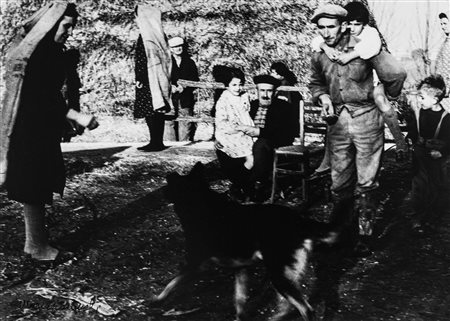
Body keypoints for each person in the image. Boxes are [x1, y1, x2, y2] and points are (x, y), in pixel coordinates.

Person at [4, 3, 98, 261]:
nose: (69, 32)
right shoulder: (37, 55)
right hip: (30, 128)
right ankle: (36, 246)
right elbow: (43, 97)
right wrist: (77, 116)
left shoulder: (48, 52)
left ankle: (34, 242)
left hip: (39, 126)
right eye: (66, 26)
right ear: (50, 24)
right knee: (34, 184)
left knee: (38, 183)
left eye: (72, 27)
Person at [309, 3, 398, 247]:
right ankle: (341, 232)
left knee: (367, 181)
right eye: (321, 28)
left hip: (367, 119)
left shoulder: (364, 46)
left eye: (331, 26)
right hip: (338, 122)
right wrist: (323, 97)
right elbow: (315, 83)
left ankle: (364, 236)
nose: (326, 32)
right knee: (339, 181)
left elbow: (394, 74)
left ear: (342, 25)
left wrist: (382, 95)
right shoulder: (318, 53)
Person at [311, 1, 407, 168]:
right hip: (351, 85)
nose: (354, 28)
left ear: (365, 24)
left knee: (381, 100)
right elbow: (315, 42)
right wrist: (325, 47)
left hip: (375, 78)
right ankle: (328, 159)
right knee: (335, 108)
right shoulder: (340, 33)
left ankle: (400, 143)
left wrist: (350, 55)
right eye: (350, 24)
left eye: (358, 24)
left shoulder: (370, 33)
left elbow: (373, 48)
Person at [406, 75, 450, 234]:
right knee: (418, 188)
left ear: (436, 99)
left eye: (422, 97)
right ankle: (417, 219)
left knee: (437, 188)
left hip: (438, 160)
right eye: (419, 97)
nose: (420, 101)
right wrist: (410, 141)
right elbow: (412, 133)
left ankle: (432, 219)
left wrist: (442, 151)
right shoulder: (419, 114)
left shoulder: (446, 119)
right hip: (420, 158)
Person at [215, 68, 254, 171]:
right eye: (234, 85)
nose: (238, 88)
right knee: (250, 158)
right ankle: (241, 180)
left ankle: (241, 180)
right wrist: (235, 128)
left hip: (246, 130)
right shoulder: (224, 100)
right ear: (227, 85)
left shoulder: (244, 96)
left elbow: (246, 114)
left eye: (240, 84)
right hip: (231, 133)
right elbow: (221, 121)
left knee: (253, 157)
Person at [134, 33, 167, 152]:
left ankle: (156, 142)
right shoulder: (158, 33)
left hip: (150, 78)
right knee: (154, 110)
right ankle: (156, 141)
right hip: (157, 76)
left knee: (153, 110)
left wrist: (140, 77)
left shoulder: (147, 35)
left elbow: (143, 58)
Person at [165, 36, 199, 142]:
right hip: (170, 99)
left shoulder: (190, 62)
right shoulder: (166, 63)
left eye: (180, 46)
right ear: (170, 49)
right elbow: (162, 78)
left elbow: (195, 80)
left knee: (186, 124)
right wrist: (171, 87)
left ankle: (184, 150)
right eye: (175, 47)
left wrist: (184, 86)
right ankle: (169, 151)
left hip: (185, 99)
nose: (178, 48)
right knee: (169, 124)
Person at [269, 61, 302, 136]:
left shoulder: (285, 86)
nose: (271, 75)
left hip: (288, 122)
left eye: (274, 73)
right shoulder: (285, 85)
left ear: (281, 74)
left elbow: (285, 104)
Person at [434, 12, 450, 112]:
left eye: (445, 23)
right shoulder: (445, 42)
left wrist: (447, 87)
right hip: (443, 90)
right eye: (441, 24)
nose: (442, 27)